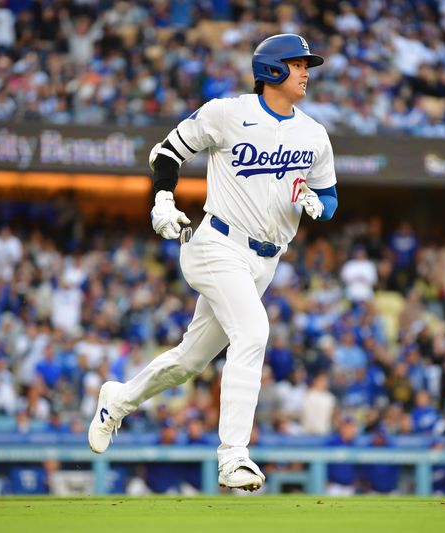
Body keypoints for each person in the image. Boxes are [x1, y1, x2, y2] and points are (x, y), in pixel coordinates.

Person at [88, 34, 338, 491]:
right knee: (253, 332)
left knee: (188, 363)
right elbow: (166, 151)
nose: (307, 72)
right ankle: (233, 457)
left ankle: (117, 401)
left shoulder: (314, 134)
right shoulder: (228, 113)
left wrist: (318, 205)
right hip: (215, 245)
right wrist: (163, 199)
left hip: (265, 262)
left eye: (307, 65)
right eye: (299, 64)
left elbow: (330, 196)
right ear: (272, 70)